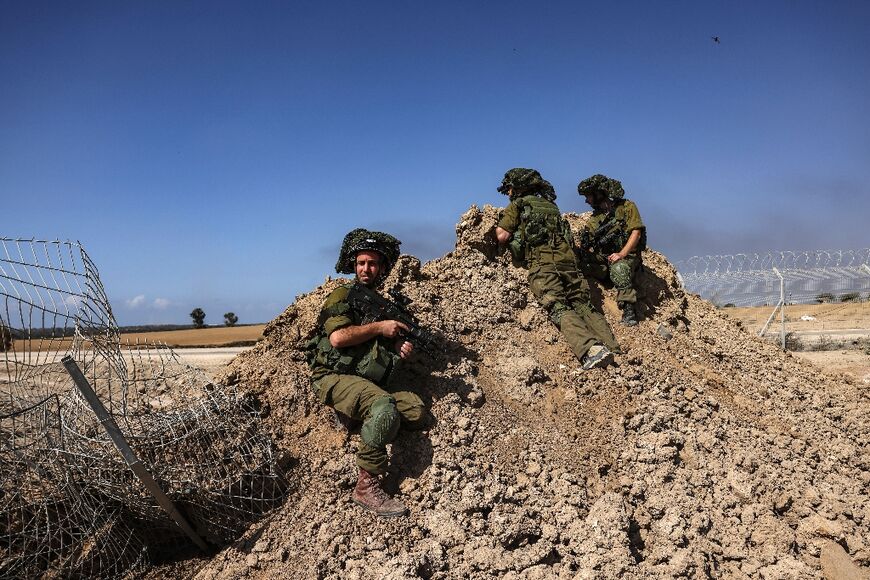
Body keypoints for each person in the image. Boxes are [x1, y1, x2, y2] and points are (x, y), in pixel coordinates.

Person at [307, 228, 426, 517]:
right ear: (353, 265)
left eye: (372, 263)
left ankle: (356, 414)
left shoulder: (381, 305)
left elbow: (376, 353)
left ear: (382, 268)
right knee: (384, 407)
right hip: (331, 375)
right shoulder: (344, 295)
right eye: (361, 263)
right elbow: (338, 338)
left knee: (415, 411)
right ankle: (366, 486)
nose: (366, 269)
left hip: (364, 379)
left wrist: (399, 349)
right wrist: (379, 327)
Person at [494, 168, 620, 370]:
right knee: (583, 305)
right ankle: (613, 348)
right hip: (569, 261)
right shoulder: (551, 206)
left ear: (519, 187)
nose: (508, 192)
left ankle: (591, 350)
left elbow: (502, 236)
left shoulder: (519, 204)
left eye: (509, 187)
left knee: (558, 306)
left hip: (544, 263)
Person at [576, 174, 646, 327]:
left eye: (588, 196)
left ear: (598, 193)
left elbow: (636, 232)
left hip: (627, 257)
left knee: (619, 267)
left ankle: (629, 310)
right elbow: (587, 244)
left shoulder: (627, 207)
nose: (586, 201)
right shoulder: (595, 219)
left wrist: (622, 254)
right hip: (605, 258)